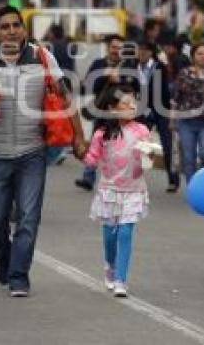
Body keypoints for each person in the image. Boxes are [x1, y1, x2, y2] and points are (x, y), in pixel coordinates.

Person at [0, 5, 86, 298]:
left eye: (16, 25)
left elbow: (65, 96)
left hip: (32, 152)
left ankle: (18, 275)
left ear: (24, 28)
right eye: (5, 26)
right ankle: (5, 256)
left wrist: (79, 137)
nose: (12, 30)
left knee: (28, 216)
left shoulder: (42, 57)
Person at [84, 84, 151, 298]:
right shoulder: (102, 134)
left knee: (125, 232)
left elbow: (146, 161)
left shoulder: (142, 131)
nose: (132, 106)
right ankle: (110, 266)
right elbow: (91, 159)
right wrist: (82, 154)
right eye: (126, 103)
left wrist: (148, 157)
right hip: (108, 190)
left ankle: (121, 279)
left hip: (134, 190)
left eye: (134, 102)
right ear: (112, 108)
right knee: (109, 237)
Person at [77, 34, 139, 191]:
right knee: (96, 143)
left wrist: (121, 82)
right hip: (102, 111)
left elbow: (136, 88)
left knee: (122, 145)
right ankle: (88, 177)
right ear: (108, 48)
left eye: (120, 48)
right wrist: (104, 76)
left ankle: (121, 178)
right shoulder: (99, 64)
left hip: (122, 114)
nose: (116, 51)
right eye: (113, 47)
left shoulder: (129, 66)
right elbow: (87, 87)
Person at [172, 44, 204, 185]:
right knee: (188, 157)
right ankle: (192, 187)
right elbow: (176, 97)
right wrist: (172, 120)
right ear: (193, 56)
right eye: (200, 53)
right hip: (186, 122)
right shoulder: (184, 73)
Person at [136, 41, 176, 191]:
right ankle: (135, 178)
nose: (142, 54)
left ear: (151, 53)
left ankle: (173, 179)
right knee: (139, 146)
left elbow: (165, 89)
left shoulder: (159, 67)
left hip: (161, 111)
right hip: (143, 112)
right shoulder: (134, 68)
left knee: (167, 146)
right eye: (140, 50)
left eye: (145, 51)